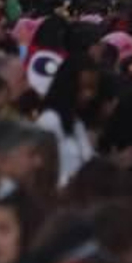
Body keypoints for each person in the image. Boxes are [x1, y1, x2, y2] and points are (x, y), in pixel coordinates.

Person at [36, 55, 101, 187]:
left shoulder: (77, 122)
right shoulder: (50, 120)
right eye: (84, 88)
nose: (89, 95)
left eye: (93, 88)